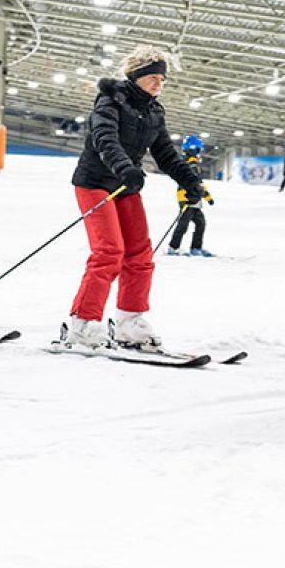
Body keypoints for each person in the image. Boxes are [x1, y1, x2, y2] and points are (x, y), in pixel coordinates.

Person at [63, 45, 204, 350]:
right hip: (95, 182)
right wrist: (124, 167)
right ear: (136, 76)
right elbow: (104, 137)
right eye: (153, 77)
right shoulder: (111, 100)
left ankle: (129, 320)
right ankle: (83, 323)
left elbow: (165, 153)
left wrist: (189, 180)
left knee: (140, 254)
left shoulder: (154, 111)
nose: (159, 83)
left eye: (162, 79)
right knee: (108, 251)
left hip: (127, 186)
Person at [167, 135, 215, 257]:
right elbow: (185, 180)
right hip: (187, 198)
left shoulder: (194, 163)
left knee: (200, 223)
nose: (199, 152)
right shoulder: (187, 162)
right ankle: (173, 247)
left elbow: (198, 183)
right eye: (198, 149)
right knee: (183, 224)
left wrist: (207, 196)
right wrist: (188, 196)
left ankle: (196, 248)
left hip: (195, 198)